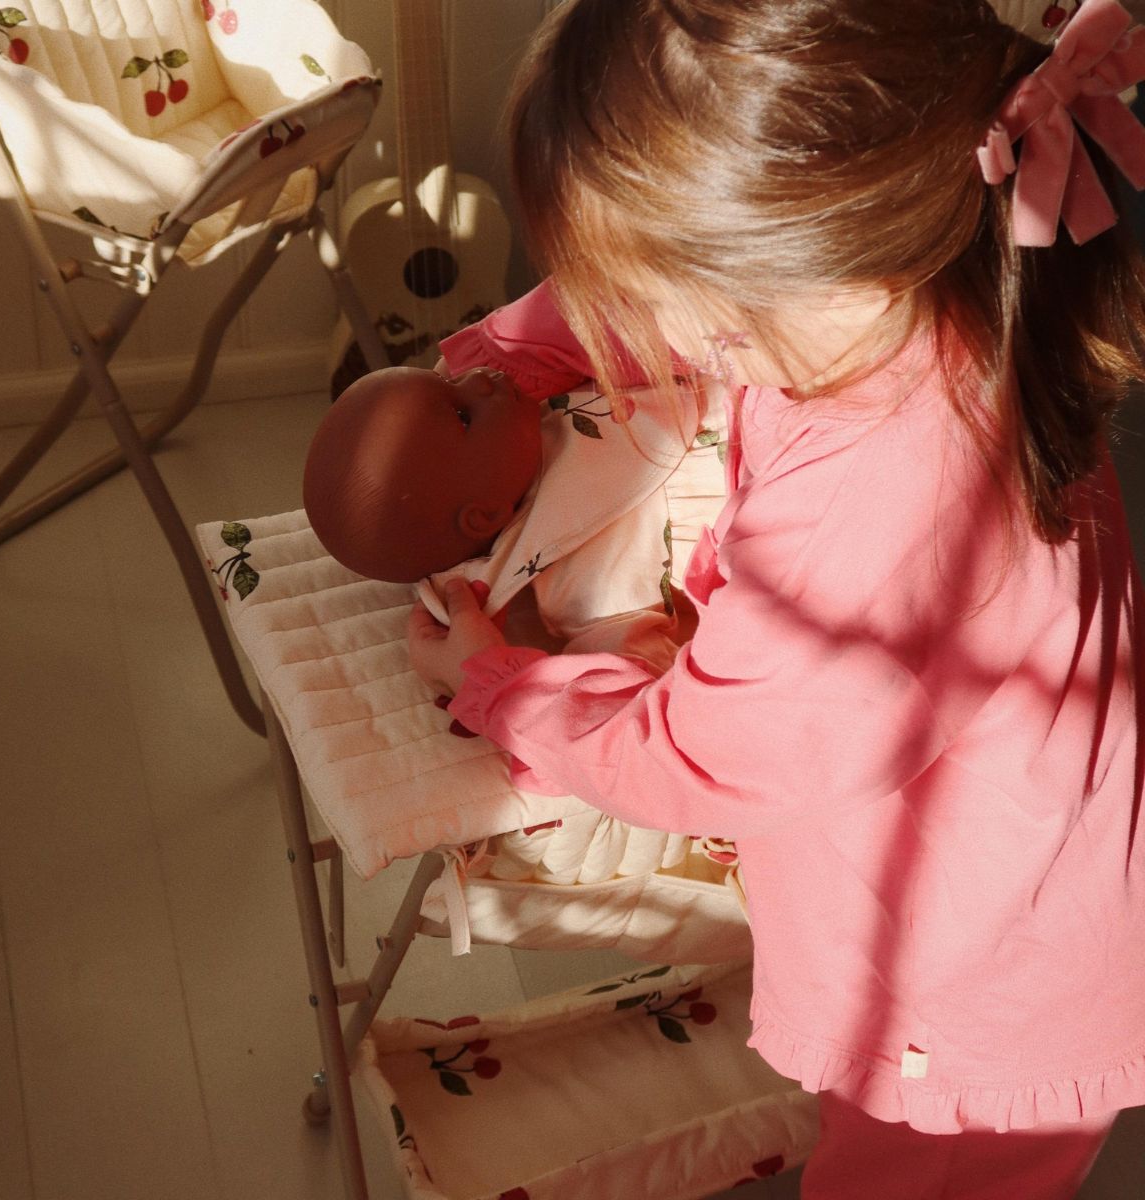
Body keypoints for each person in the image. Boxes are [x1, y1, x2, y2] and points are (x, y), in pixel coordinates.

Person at [407, 1, 1145, 1196]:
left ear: (783, 257)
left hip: (975, 994)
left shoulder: (890, 493)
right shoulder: (914, 264)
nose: (659, 334)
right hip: (1004, 892)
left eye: (671, 296)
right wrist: (508, 357)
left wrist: (501, 687)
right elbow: (676, 305)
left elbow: (699, 754)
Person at [302, 365, 543, 582]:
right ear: (484, 516)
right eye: (464, 418)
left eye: (446, 379)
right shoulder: (554, 555)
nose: (478, 376)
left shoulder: (510, 376)